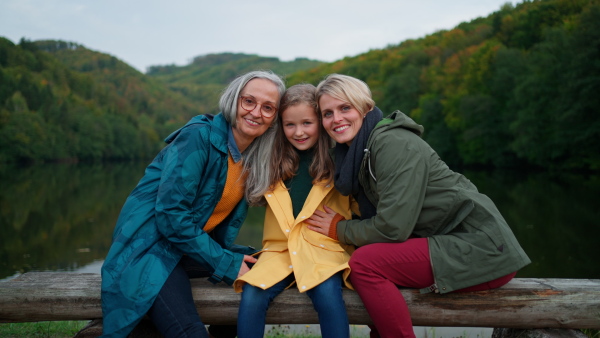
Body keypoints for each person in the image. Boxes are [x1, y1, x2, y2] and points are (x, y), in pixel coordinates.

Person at [305, 74, 531, 338]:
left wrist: (340, 229)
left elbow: (393, 229)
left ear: (366, 108)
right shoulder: (357, 152)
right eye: (327, 113)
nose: (337, 119)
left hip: (481, 249)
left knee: (365, 264)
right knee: (370, 260)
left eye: (345, 108)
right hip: (455, 243)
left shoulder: (392, 144)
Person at [100, 70, 286, 338]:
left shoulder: (253, 155)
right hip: (149, 249)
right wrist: (226, 262)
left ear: (274, 119)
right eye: (249, 101)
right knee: (189, 332)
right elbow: (171, 216)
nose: (256, 112)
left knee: (264, 266)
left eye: (268, 108)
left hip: (184, 250)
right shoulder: (198, 137)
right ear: (234, 100)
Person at [234, 84, 355, 338]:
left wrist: (344, 226)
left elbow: (359, 207)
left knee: (328, 293)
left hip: (322, 251)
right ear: (281, 126)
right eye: (290, 125)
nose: (299, 132)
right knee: (252, 293)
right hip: (279, 251)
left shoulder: (340, 161)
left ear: (321, 123)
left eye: (307, 123)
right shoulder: (271, 163)